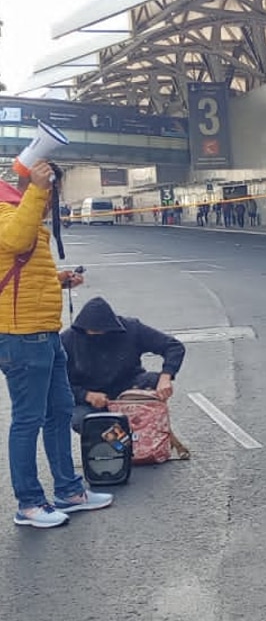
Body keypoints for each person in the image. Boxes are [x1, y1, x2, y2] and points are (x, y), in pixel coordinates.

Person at [0, 160, 112, 528]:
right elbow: (14, 241)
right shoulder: (7, 207)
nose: (49, 196)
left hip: (44, 331)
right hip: (20, 334)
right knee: (28, 420)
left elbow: (23, 266)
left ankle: (69, 490)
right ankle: (29, 503)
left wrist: (60, 279)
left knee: (60, 411)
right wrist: (35, 189)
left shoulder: (19, 208)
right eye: (48, 188)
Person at [60, 296, 186, 433]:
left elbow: (173, 346)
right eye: (91, 333)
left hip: (127, 387)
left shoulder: (131, 329)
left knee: (153, 380)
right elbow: (58, 383)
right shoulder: (67, 340)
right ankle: (114, 447)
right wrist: (86, 395)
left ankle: (147, 437)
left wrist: (166, 376)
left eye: (101, 333)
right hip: (89, 398)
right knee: (82, 421)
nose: (97, 337)